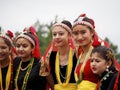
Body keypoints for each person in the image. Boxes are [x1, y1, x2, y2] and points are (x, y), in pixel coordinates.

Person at [72, 13, 108, 90]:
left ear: (92, 32)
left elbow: (109, 76)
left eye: (83, 32)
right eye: (75, 33)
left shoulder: (99, 52)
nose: (79, 37)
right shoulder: (80, 54)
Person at [40, 20, 77, 90]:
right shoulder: (51, 57)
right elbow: (53, 85)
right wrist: (46, 70)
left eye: (61, 34)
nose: (57, 37)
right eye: (54, 34)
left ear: (69, 35)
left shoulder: (77, 55)